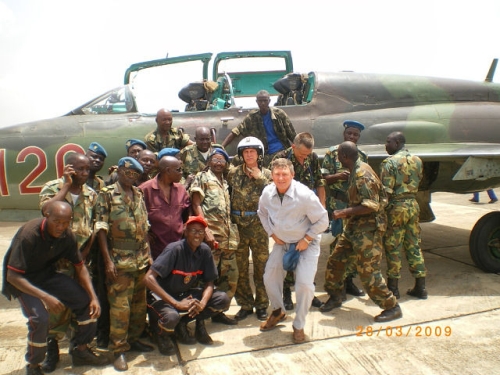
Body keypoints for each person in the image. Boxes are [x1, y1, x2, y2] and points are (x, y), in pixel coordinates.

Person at [2, 201, 108, 375]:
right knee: (40, 318)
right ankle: (34, 365)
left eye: (65, 223)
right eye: (57, 222)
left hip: (46, 275)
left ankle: (81, 349)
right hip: (22, 280)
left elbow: (79, 266)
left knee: (87, 302)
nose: (61, 227)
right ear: (47, 216)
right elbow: (12, 276)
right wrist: (46, 297)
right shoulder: (29, 235)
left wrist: (94, 297)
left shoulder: (67, 236)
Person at [320, 142, 402, 323]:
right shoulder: (354, 170)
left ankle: (391, 306)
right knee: (336, 261)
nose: (337, 158)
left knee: (368, 272)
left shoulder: (362, 174)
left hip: (368, 228)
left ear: (344, 157)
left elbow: (370, 205)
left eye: (339, 155)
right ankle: (335, 296)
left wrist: (342, 213)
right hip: (354, 226)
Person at [257, 158, 328, 344]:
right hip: (282, 242)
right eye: (277, 174)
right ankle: (278, 311)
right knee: (269, 277)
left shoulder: (304, 195)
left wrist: (306, 239)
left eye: (285, 174)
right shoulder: (267, 193)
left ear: (292, 175)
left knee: (304, 285)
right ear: (271, 175)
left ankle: (298, 324)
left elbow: (323, 221)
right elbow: (261, 213)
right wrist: (272, 233)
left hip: (306, 243)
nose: (281, 178)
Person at [38, 153, 98, 372]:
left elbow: (92, 226)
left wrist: (85, 252)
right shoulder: (52, 188)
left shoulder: (90, 194)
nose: (84, 174)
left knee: (81, 306)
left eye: (87, 170)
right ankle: (51, 351)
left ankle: (79, 348)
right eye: (79, 169)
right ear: (69, 168)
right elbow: (46, 211)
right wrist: (65, 186)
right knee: (56, 309)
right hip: (57, 263)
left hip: (80, 261)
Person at [95, 157, 153, 372]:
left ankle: (134, 339)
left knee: (139, 305)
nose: (131, 177)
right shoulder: (107, 194)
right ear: (119, 171)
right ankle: (118, 349)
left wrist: (149, 256)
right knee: (120, 308)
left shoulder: (138, 194)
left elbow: (145, 226)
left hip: (139, 259)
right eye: (127, 173)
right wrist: (107, 260)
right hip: (119, 259)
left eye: (135, 175)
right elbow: (101, 228)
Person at [144, 216, 231, 354]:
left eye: (201, 232)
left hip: (185, 294)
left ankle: (183, 323)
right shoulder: (174, 250)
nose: (197, 235)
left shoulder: (204, 251)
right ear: (185, 232)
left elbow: (210, 282)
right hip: (163, 298)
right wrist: (176, 304)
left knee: (222, 299)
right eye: (193, 231)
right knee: (171, 317)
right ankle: (159, 334)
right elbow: (148, 278)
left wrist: (202, 304)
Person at [271, 132, 326, 310]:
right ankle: (287, 294)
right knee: (287, 255)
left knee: (308, 256)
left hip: (308, 213)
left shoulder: (313, 158)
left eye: (307, 155)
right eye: (301, 155)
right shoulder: (280, 158)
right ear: (293, 147)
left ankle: (308, 292)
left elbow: (320, 182)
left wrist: (321, 208)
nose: (304, 158)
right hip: (288, 215)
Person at [190, 148, 239, 326]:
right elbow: (196, 203)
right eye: (215, 159)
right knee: (207, 278)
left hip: (227, 238)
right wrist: (206, 230)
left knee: (230, 277)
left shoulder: (225, 183)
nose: (219, 163)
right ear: (209, 161)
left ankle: (218, 312)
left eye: (222, 160)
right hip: (211, 238)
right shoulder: (203, 177)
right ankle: (200, 319)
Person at [227, 137, 272, 321]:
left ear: (259, 154)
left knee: (262, 267)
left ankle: (262, 304)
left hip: (258, 225)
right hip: (238, 225)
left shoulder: (267, 174)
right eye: (245, 152)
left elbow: (274, 194)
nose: (249, 154)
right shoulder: (233, 173)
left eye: (252, 151)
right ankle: (245, 304)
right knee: (241, 268)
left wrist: (260, 178)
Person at [322, 120, 368, 300]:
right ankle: (337, 285)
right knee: (338, 247)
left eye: (355, 134)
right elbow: (323, 178)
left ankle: (349, 281)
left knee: (355, 246)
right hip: (338, 205)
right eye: (349, 133)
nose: (352, 137)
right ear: (344, 134)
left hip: (355, 206)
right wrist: (338, 176)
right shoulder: (333, 153)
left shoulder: (362, 156)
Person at [380, 132, 428, 299]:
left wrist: (380, 211)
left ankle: (393, 289)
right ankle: (420, 287)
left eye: (388, 142)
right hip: (413, 205)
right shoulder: (417, 160)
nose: (386, 145)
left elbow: (386, 191)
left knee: (393, 247)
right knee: (413, 244)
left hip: (396, 207)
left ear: (397, 142)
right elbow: (419, 180)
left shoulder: (389, 163)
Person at [221, 90, 296, 166]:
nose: (263, 103)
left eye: (265, 100)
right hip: (262, 153)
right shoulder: (252, 116)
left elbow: (292, 134)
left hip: (280, 152)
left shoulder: (279, 114)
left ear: (269, 101)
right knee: (237, 160)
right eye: (260, 101)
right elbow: (236, 131)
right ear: (256, 102)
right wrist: (221, 147)